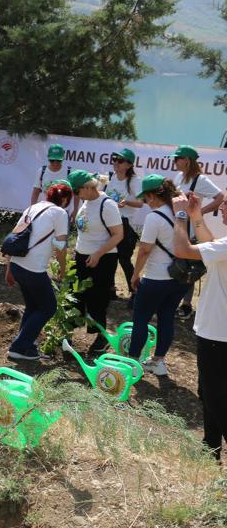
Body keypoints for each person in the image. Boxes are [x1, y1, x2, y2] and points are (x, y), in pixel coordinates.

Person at [170, 192, 227, 460]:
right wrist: (196, 217)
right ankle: (210, 448)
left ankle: (213, 446)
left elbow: (182, 251)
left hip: (219, 333)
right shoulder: (224, 246)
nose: (222, 208)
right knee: (209, 391)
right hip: (216, 330)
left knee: (216, 397)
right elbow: (211, 247)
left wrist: (180, 217)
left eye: (226, 205)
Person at [4, 182, 73, 361]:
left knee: (33, 306)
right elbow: (60, 246)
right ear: (65, 199)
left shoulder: (32, 208)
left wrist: (9, 268)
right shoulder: (60, 213)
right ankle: (18, 347)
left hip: (18, 264)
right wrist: (63, 269)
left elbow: (14, 238)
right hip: (33, 268)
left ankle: (26, 347)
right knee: (48, 307)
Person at [126, 175, 185, 376]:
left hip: (156, 278)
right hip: (179, 277)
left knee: (141, 318)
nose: (145, 202)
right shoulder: (181, 213)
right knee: (167, 317)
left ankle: (132, 362)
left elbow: (144, 250)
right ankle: (158, 362)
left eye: (145, 198)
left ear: (152, 195)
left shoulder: (154, 217)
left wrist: (135, 274)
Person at [67, 169, 124, 353]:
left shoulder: (107, 205)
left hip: (103, 259)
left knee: (97, 299)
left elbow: (118, 235)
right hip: (82, 257)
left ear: (86, 187)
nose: (75, 196)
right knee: (74, 296)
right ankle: (67, 335)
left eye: (76, 191)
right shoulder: (86, 201)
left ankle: (101, 337)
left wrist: (98, 253)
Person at [171, 144, 225, 320]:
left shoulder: (200, 180)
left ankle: (186, 305)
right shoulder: (179, 176)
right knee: (178, 265)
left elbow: (220, 198)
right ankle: (175, 302)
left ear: (186, 161)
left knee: (189, 268)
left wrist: (198, 213)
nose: (174, 162)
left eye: (176, 158)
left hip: (193, 230)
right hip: (179, 226)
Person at [105, 148, 143, 306]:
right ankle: (110, 289)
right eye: (114, 159)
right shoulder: (113, 176)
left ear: (128, 164)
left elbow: (141, 203)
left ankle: (135, 293)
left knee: (124, 260)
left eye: (120, 161)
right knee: (110, 257)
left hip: (126, 224)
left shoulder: (134, 180)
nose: (115, 163)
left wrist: (127, 202)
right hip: (111, 222)